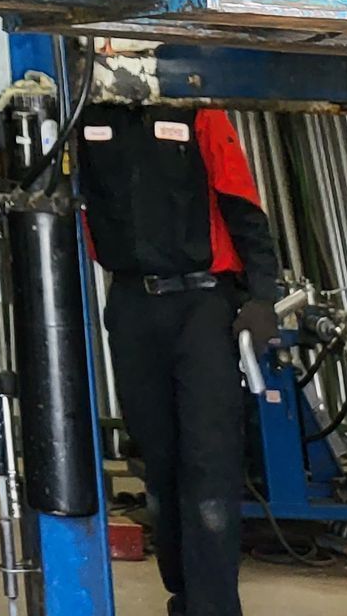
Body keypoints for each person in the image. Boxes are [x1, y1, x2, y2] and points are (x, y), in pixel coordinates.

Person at [75, 101, 281, 616]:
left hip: (203, 306)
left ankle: (213, 608)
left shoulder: (198, 111)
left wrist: (261, 295)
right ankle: (182, 598)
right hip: (132, 304)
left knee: (208, 463)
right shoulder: (83, 115)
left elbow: (239, 196)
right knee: (160, 461)